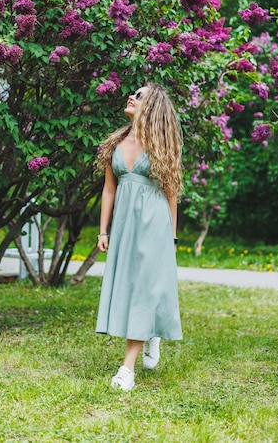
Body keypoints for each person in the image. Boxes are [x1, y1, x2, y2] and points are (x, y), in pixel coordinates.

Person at [95, 82, 183, 391]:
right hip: (124, 226)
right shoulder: (117, 142)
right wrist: (103, 230)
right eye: (133, 93)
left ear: (153, 106)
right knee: (132, 288)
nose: (132, 97)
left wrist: (170, 239)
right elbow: (109, 189)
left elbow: (171, 194)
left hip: (154, 223)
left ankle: (126, 369)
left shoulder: (161, 145)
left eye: (140, 95)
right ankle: (151, 332)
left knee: (145, 290)